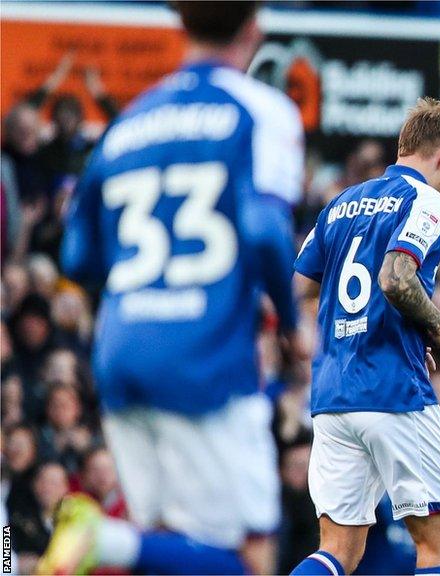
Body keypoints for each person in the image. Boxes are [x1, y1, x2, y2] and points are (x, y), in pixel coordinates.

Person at [40, 2, 305, 574]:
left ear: (180, 25)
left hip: (121, 353)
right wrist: (293, 322)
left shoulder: (129, 120)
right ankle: (101, 541)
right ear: (254, 28)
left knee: (167, 543)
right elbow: (264, 230)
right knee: (250, 553)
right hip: (205, 359)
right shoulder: (261, 109)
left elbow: (77, 255)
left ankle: (114, 543)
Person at [291, 97, 440, 576]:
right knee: (439, 544)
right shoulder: (427, 200)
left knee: (337, 552)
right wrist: (434, 323)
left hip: (332, 394)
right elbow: (394, 277)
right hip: (393, 391)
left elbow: (300, 286)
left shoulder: (341, 203)